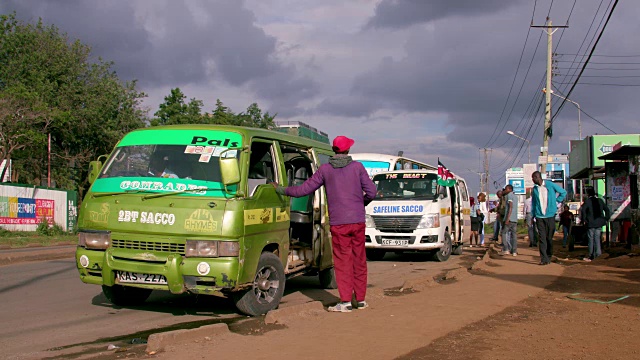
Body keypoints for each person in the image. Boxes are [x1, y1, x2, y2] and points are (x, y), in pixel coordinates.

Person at [271, 135, 377, 312]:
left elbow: (302, 190)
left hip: (339, 223)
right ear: (348, 150)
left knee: (342, 261)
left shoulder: (325, 170)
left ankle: (345, 302)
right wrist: (361, 203)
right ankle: (360, 300)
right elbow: (372, 192)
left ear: (334, 150)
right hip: (357, 221)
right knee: (359, 259)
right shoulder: (357, 167)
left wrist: (280, 189)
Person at [531, 171, 567, 265]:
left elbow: (563, 192)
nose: (532, 180)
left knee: (549, 238)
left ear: (537, 177)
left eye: (533, 178)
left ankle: (549, 255)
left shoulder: (550, 185)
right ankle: (544, 259)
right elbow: (534, 203)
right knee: (542, 238)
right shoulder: (534, 189)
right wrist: (533, 214)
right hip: (539, 216)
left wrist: (556, 201)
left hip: (550, 215)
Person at [579, 187, 610, 262]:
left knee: (591, 240)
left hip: (591, 223)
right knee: (597, 239)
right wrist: (606, 218)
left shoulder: (587, 201)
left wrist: (584, 220)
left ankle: (590, 255)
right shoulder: (600, 200)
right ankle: (598, 254)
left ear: (588, 194)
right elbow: (607, 209)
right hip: (599, 222)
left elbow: (583, 211)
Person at [501, 184, 518, 256]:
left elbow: (510, 207)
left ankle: (506, 249)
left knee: (504, 233)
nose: (505, 190)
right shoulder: (515, 197)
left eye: (506, 189)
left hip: (509, 218)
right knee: (514, 235)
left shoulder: (509, 196)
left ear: (510, 189)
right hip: (515, 219)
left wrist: (507, 218)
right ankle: (514, 251)